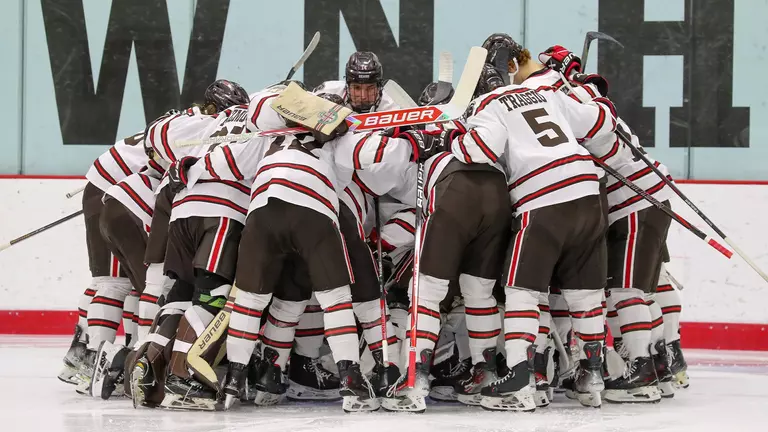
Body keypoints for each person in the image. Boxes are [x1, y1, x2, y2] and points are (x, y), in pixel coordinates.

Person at [438, 37, 618, 409]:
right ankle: (591, 373)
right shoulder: (546, 94)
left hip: (543, 196)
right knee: (584, 293)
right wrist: (585, 89)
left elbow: (480, 150)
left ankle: (519, 377)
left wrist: (452, 135)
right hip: (587, 192)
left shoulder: (487, 104)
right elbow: (601, 122)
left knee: (521, 290)